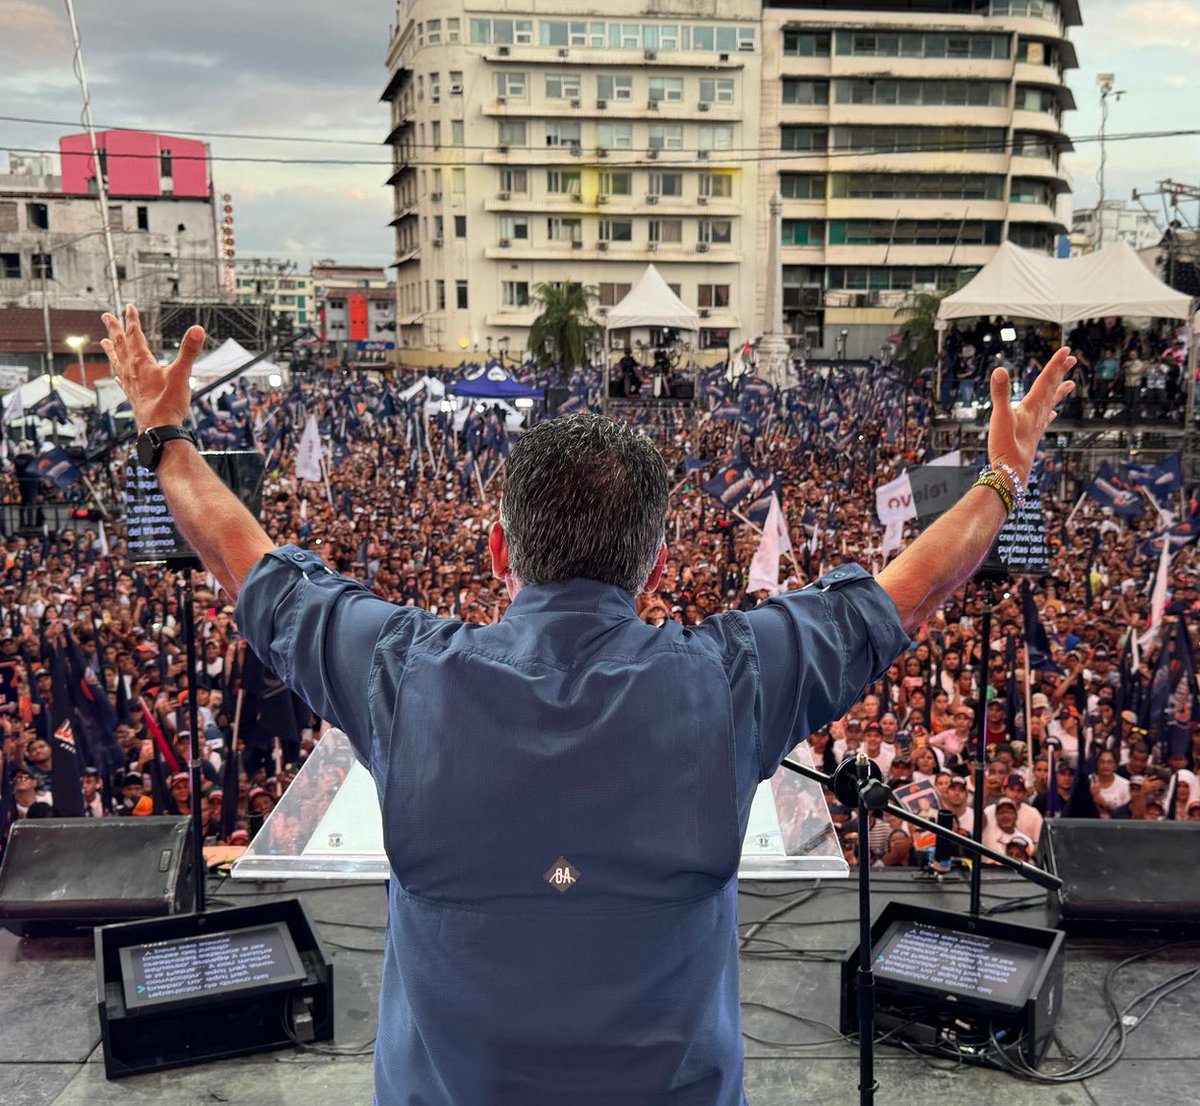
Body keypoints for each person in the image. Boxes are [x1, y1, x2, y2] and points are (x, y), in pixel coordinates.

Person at [100, 305, 1074, 1106]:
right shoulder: (729, 680)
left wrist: (169, 438)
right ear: (654, 561)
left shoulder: (402, 674)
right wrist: (1000, 473)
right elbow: (909, 589)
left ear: (498, 549)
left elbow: (242, 556)